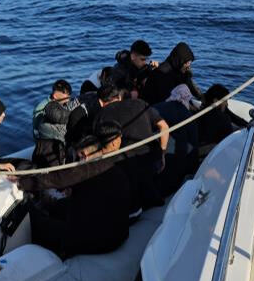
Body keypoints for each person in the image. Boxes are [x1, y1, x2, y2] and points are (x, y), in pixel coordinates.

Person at [18, 121, 131, 260]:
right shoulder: (114, 164)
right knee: (57, 206)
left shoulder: (87, 169)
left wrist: (20, 183)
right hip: (118, 231)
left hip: (101, 239)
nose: (79, 160)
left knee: (39, 223)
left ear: (88, 155)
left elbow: (56, 179)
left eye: (81, 156)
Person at [97, 84, 170, 211]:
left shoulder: (101, 114)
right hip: (153, 161)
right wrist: (162, 153)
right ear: (119, 97)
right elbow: (164, 127)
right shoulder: (140, 103)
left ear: (100, 102)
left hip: (127, 168)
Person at [152, 84, 201, 191]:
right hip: (178, 161)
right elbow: (193, 146)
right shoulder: (189, 117)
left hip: (156, 155)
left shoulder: (158, 107)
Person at [32, 80, 78, 168]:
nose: (68, 99)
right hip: (47, 144)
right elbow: (37, 131)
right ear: (55, 95)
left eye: (69, 95)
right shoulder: (41, 110)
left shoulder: (61, 102)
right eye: (66, 96)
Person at [196, 84, 249, 154]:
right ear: (216, 101)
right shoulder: (222, 118)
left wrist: (247, 124)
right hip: (206, 149)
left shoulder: (203, 109)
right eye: (225, 101)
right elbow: (229, 141)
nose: (227, 104)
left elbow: (232, 116)